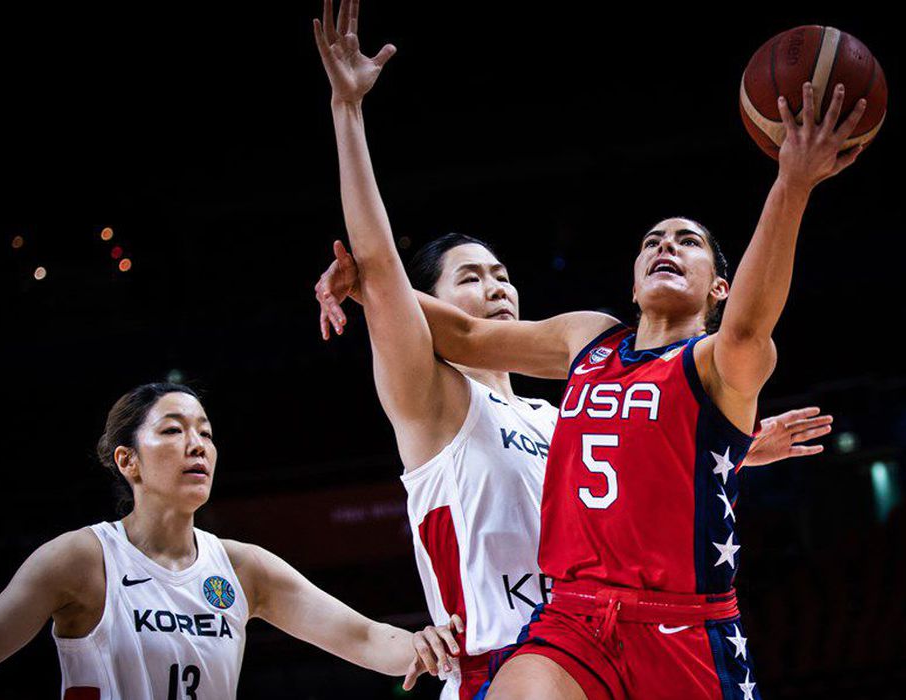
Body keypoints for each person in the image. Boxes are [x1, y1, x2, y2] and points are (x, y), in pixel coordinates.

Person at [310, 2, 841, 697]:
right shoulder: (574, 345)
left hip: (680, 625)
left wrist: (732, 443)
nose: (664, 247)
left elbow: (670, 435)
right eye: (652, 239)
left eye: (686, 241)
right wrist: (370, 285)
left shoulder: (568, 413)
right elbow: (447, 325)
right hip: (558, 629)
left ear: (721, 285)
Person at [0, 382, 459, 697]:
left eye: (205, 431)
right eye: (173, 430)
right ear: (127, 460)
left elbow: (365, 639)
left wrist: (421, 645)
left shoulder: (243, 568)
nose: (197, 444)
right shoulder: (80, 560)